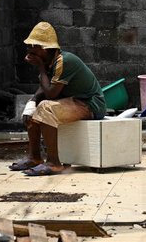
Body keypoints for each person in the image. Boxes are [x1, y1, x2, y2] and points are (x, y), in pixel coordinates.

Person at [8, 22, 106, 176]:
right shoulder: (49, 62)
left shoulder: (64, 61)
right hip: (72, 101)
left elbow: (51, 94)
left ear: (44, 49)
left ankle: (54, 163)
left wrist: (40, 67)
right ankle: (34, 158)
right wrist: (32, 103)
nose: (29, 51)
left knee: (46, 107)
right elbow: (44, 88)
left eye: (33, 47)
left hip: (89, 104)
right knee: (33, 112)